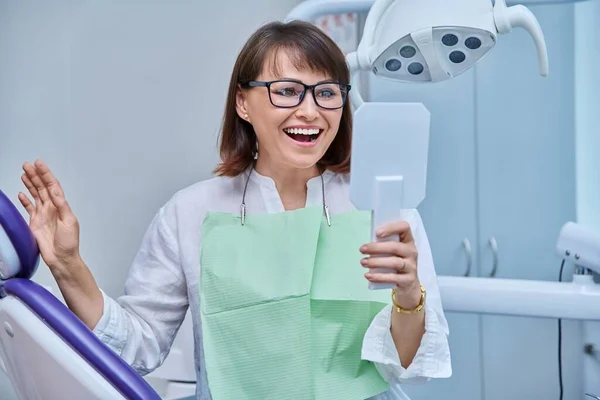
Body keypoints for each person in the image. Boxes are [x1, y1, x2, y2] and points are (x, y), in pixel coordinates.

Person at [17, 20, 450, 400]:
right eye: (285, 91)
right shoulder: (189, 213)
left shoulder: (385, 210)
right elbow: (138, 347)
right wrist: (69, 264)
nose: (310, 110)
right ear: (243, 103)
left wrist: (409, 295)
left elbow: (406, 368)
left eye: (326, 93)